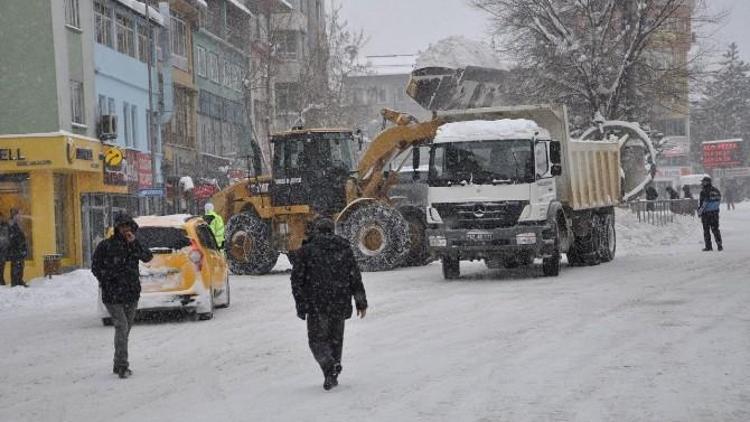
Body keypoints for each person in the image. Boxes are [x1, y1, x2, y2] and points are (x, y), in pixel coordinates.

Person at [291, 217, 367, 391]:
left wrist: (300, 304)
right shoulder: (344, 248)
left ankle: (328, 367)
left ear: (316, 231)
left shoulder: (306, 251)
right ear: (333, 231)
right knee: (335, 340)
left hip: (317, 304)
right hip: (339, 302)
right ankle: (331, 374)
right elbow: (355, 276)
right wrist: (361, 302)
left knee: (316, 341)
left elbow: (296, 281)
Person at [92, 213, 153, 379]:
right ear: (117, 228)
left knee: (125, 330)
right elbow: (96, 267)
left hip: (131, 293)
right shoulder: (106, 246)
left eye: (128, 226)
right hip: (113, 295)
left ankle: (117, 361)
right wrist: (106, 279)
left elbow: (147, 257)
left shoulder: (133, 244)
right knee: (122, 327)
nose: (125, 229)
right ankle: (122, 366)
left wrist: (134, 243)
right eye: (122, 226)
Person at [698, 176, 723, 252]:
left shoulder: (704, 191)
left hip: (706, 214)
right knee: (715, 229)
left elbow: (703, 204)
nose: (702, 183)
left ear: (706, 182)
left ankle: (708, 246)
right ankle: (719, 245)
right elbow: (718, 201)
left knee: (706, 230)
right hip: (715, 213)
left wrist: (699, 212)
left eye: (703, 182)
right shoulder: (716, 190)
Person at [7, 209, 28, 287]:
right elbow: (12, 237)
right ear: (14, 215)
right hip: (15, 249)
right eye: (19, 214)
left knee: (21, 265)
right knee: (16, 266)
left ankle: (19, 280)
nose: (20, 216)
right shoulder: (11, 224)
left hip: (20, 249)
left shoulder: (19, 224)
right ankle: (15, 282)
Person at [0, 212, 9, 286]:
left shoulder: (5, 226)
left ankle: (1, 279)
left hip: (3, 249)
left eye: (1, 217)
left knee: (2, 265)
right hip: (3, 249)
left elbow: (7, 237)